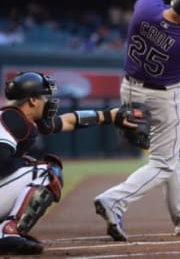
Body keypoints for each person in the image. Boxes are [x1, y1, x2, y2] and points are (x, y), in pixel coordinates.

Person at [93, 0, 180, 242]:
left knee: (169, 156)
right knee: (163, 163)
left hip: (129, 90)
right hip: (162, 98)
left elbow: (159, 4)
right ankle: (114, 200)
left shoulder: (145, 10)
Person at [0, 71, 136, 255]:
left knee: (38, 167)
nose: (49, 101)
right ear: (33, 100)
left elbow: (67, 121)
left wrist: (108, 116)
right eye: (45, 96)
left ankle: (9, 231)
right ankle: (8, 232)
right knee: (46, 172)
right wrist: (24, 164)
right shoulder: (12, 120)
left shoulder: (24, 119)